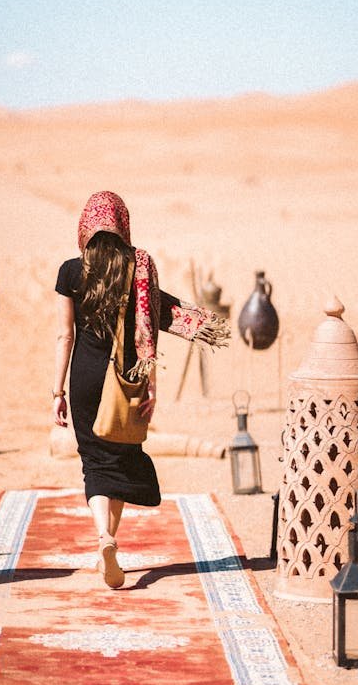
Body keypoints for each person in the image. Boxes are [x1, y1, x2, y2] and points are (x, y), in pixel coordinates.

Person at [53, 190, 230, 589]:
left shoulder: (69, 271)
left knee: (94, 463)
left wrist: (57, 393)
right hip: (126, 377)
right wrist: (151, 384)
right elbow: (147, 327)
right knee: (119, 454)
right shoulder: (140, 266)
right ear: (123, 224)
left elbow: (65, 336)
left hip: (83, 378)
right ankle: (110, 540)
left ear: (86, 226)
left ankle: (104, 538)